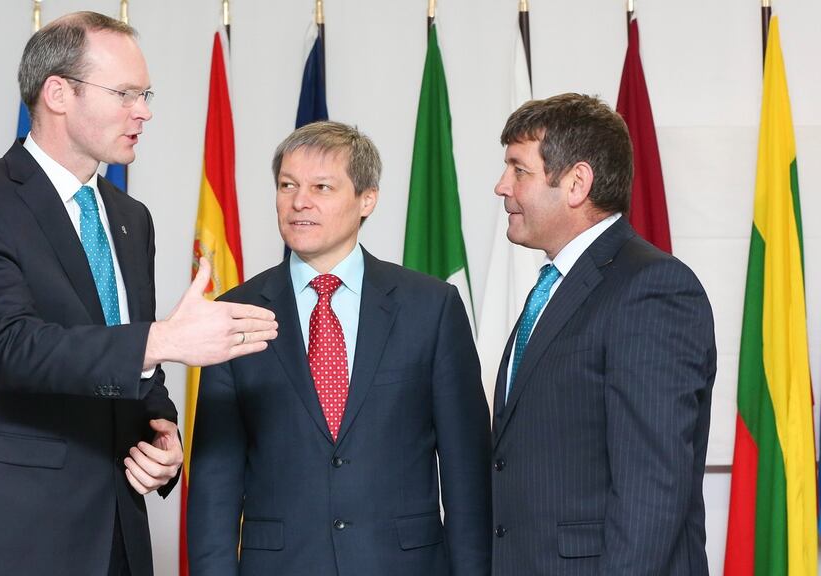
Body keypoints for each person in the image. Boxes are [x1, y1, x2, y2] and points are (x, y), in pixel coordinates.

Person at [0, 12, 277, 576]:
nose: (144, 110)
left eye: (146, 93)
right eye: (125, 93)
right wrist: (163, 339)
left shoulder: (129, 218)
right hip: (14, 533)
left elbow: (124, 354)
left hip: (118, 532)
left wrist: (160, 433)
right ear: (59, 93)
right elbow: (11, 349)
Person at [187, 121, 492, 576]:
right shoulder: (235, 313)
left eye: (322, 187)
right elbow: (215, 482)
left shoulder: (431, 307)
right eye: (287, 185)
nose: (299, 202)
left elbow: (467, 472)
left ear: (366, 199)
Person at [489, 93, 715, 575]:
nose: (501, 186)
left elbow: (652, 490)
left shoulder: (651, 289)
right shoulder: (554, 287)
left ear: (576, 183)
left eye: (518, 169)